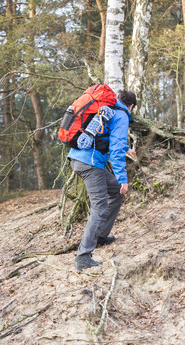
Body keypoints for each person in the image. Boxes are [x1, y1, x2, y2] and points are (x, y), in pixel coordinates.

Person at [68, 90, 137, 271]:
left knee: (115, 192)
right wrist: (122, 178)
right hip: (90, 163)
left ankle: (100, 236)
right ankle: (83, 257)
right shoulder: (121, 115)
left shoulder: (108, 108)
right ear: (131, 106)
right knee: (100, 207)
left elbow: (106, 136)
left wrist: (127, 149)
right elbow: (114, 149)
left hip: (79, 158)